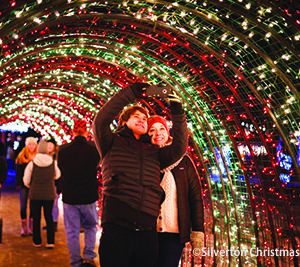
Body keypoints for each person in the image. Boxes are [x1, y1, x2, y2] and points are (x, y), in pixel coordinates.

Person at [92, 82, 188, 267]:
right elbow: (100, 121)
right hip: (117, 228)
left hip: (147, 231)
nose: (142, 119)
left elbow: (179, 147)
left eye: (145, 118)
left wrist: (177, 110)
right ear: (123, 122)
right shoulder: (110, 142)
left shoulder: (155, 152)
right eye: (136, 116)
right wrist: (131, 93)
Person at [147, 115, 205, 267]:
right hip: (147, 232)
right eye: (151, 130)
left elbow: (195, 197)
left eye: (161, 129)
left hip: (174, 233)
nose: (157, 133)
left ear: (167, 132)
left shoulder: (184, 161)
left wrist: (198, 230)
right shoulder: (145, 161)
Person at [57, 119, 100, 267]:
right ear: (87, 132)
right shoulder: (94, 148)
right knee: (91, 227)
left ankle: (75, 261)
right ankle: (89, 256)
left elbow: (61, 170)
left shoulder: (62, 150)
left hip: (70, 196)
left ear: (73, 131)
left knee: (72, 231)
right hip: (89, 195)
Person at [23, 140, 61, 248]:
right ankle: (50, 241)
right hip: (49, 193)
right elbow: (57, 175)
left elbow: (26, 179)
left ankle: (37, 241)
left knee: (36, 217)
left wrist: (32, 185)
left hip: (35, 194)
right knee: (49, 217)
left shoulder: (32, 163)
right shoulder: (53, 163)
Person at [15, 136, 37, 236]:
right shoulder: (22, 157)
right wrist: (18, 184)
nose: (31, 146)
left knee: (33, 206)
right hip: (23, 185)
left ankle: (31, 227)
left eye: (33, 144)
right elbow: (18, 172)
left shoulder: (37, 157)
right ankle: (24, 228)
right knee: (23, 206)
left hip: (34, 186)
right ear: (26, 145)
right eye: (29, 144)